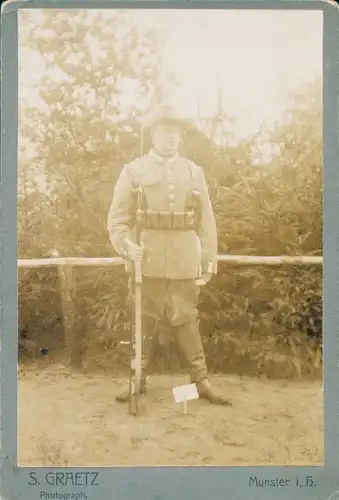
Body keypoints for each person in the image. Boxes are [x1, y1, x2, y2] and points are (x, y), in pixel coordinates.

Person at [107, 101, 231, 406]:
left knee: (186, 319)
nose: (171, 137)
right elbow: (117, 219)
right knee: (145, 321)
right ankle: (138, 378)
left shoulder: (193, 171)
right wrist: (126, 246)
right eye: (165, 131)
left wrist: (208, 259)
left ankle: (200, 381)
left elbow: (206, 220)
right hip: (145, 260)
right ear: (152, 134)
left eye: (175, 132)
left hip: (184, 258)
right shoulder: (134, 170)